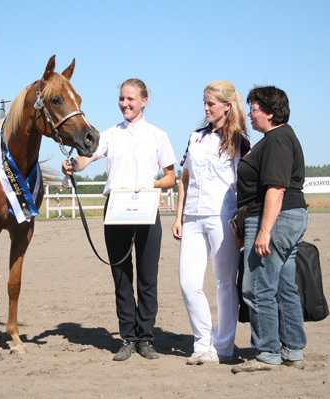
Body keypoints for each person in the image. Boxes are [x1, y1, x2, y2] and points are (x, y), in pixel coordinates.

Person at [62, 78, 177, 361]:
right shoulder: (109, 134)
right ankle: (128, 337)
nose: (125, 104)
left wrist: (153, 185)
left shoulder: (158, 135)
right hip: (116, 209)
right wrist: (72, 165)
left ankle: (146, 338)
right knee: (122, 276)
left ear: (144, 101)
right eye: (122, 99)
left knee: (147, 277)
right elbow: (86, 159)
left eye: (130, 99)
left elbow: (171, 177)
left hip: (147, 210)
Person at [172, 81, 250, 365]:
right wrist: (179, 216)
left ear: (226, 106)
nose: (205, 108)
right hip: (192, 217)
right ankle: (202, 342)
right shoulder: (196, 137)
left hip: (223, 217)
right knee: (188, 282)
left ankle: (224, 346)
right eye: (204, 103)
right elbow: (185, 178)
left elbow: (245, 184)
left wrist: (242, 223)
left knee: (224, 283)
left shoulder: (239, 140)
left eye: (211, 104)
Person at [231, 86, 308, 373]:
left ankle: (267, 353)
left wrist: (264, 231)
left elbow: (276, 188)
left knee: (258, 288)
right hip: (290, 217)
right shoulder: (281, 138)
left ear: (270, 112)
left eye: (254, 109)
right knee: (285, 287)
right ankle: (292, 350)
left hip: (273, 217)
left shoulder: (276, 141)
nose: (250, 115)